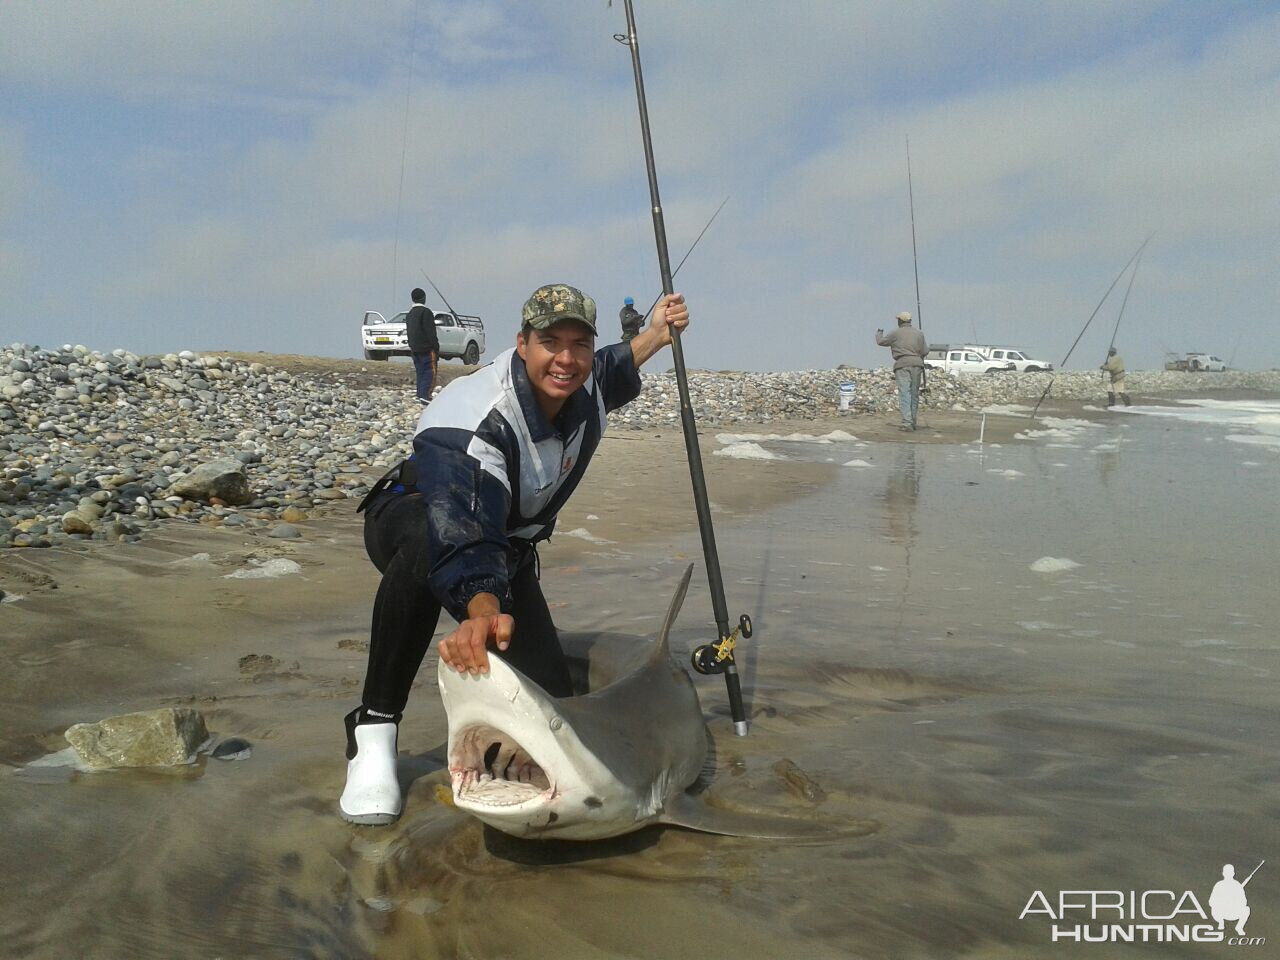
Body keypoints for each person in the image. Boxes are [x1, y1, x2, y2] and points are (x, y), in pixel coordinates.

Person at [339, 283, 691, 824]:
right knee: (425, 549)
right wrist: (483, 610)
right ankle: (375, 734)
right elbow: (463, 533)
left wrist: (656, 335)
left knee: (553, 702)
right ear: (522, 343)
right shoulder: (470, 418)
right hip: (418, 512)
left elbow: (615, 367)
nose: (566, 358)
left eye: (579, 344)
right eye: (551, 341)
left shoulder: (585, 379)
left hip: (507, 547)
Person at [875, 311, 929, 431]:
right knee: (914, 394)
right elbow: (925, 351)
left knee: (905, 393)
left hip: (902, 365)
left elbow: (881, 342)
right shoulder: (919, 333)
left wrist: (879, 333)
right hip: (917, 365)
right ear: (910, 321)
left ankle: (907, 423)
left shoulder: (896, 333)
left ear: (900, 321)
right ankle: (913, 422)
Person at [405, 288, 439, 404]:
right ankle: (425, 396)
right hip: (427, 349)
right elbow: (431, 332)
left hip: (414, 349)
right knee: (429, 371)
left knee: (420, 372)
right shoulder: (426, 312)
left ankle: (420, 394)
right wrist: (436, 348)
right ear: (423, 298)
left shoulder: (409, 314)